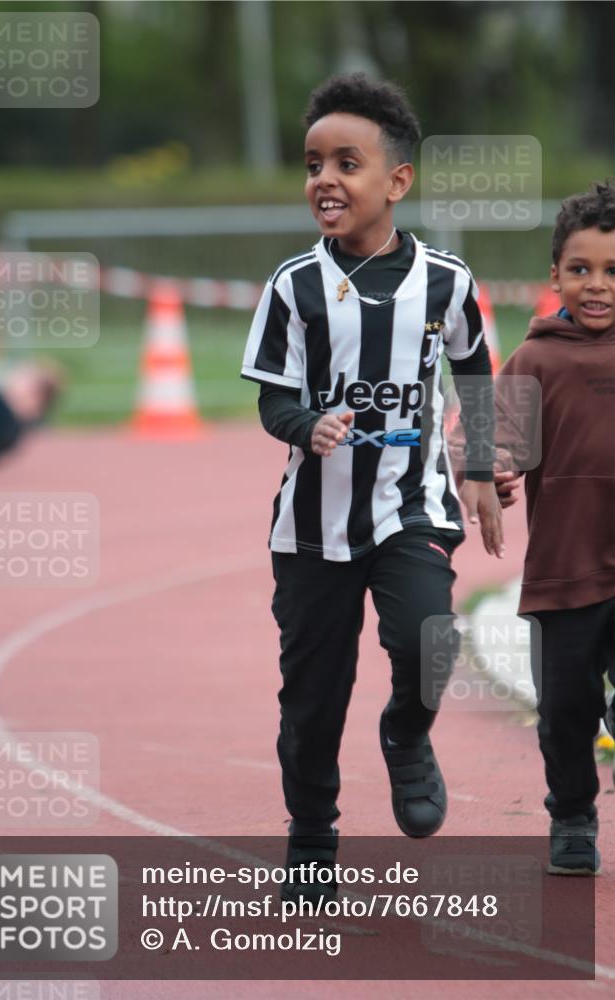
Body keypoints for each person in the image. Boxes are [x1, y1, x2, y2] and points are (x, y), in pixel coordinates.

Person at [241, 73, 503, 902]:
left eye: (345, 163)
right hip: (312, 528)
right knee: (313, 701)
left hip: (411, 503)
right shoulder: (294, 287)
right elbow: (273, 395)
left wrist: (483, 467)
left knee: (428, 638)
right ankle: (312, 837)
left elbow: (477, 370)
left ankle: (406, 731)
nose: (324, 179)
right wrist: (304, 424)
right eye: (312, 162)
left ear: (396, 181)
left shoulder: (446, 281)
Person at [493, 180, 615, 876]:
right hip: (563, 576)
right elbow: (483, 432)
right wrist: (492, 468)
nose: (596, 285)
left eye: (611, 270)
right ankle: (571, 816)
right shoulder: (534, 358)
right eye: (580, 269)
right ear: (554, 277)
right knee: (564, 714)